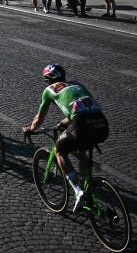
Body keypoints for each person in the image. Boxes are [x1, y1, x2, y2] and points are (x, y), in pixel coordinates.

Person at [22, 64, 109, 212]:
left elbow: (39, 119)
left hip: (81, 125)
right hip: (101, 124)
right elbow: (83, 107)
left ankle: (78, 190)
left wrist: (30, 129)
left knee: (59, 150)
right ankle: (87, 185)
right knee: (81, 150)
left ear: (48, 80)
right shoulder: (77, 85)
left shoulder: (49, 91)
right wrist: (63, 122)